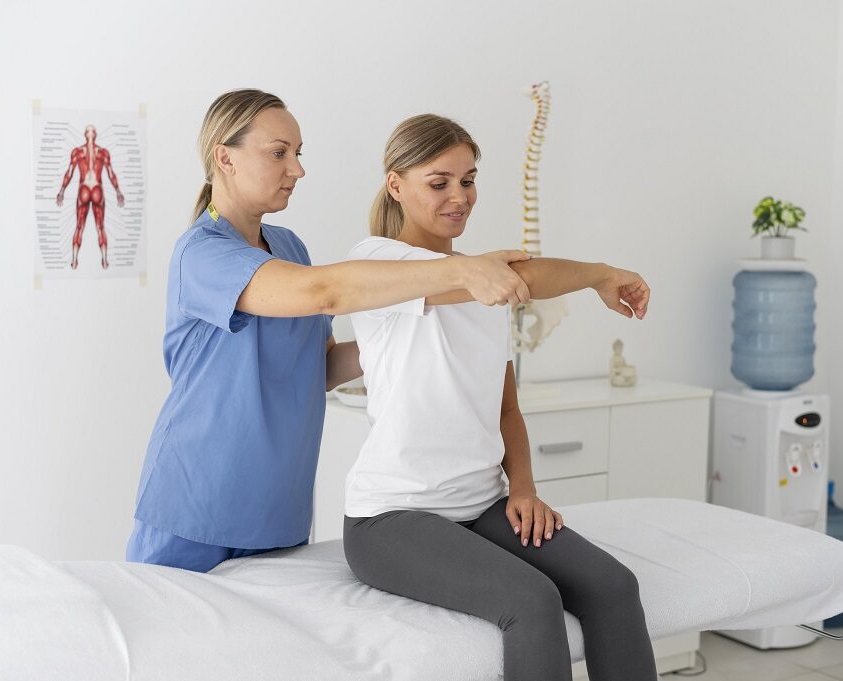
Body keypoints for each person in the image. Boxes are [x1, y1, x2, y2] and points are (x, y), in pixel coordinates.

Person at [126, 90, 534, 574]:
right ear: (224, 157)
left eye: (297, 154)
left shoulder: (288, 246)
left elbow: (318, 367)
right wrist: (461, 272)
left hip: (278, 509)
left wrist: (405, 334)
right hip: (195, 504)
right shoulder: (202, 253)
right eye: (279, 153)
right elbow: (325, 292)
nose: (296, 170)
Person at [342, 114, 657, 681]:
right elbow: (511, 279)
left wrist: (526, 489)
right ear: (396, 185)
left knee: (614, 586)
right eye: (439, 183)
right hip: (392, 517)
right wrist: (601, 274)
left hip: (481, 503)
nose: (459, 197)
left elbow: (504, 405)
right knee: (531, 600)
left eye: (468, 180)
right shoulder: (381, 265)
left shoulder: (485, 282)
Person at [55, 125, 125, 269]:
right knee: (100, 227)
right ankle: (104, 260)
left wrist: (62, 190)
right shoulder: (103, 153)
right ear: (95, 134)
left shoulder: (78, 152)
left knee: (79, 226)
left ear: (85, 134)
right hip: (97, 189)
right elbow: (111, 173)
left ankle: (74, 260)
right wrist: (118, 191)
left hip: (84, 189)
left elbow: (69, 172)